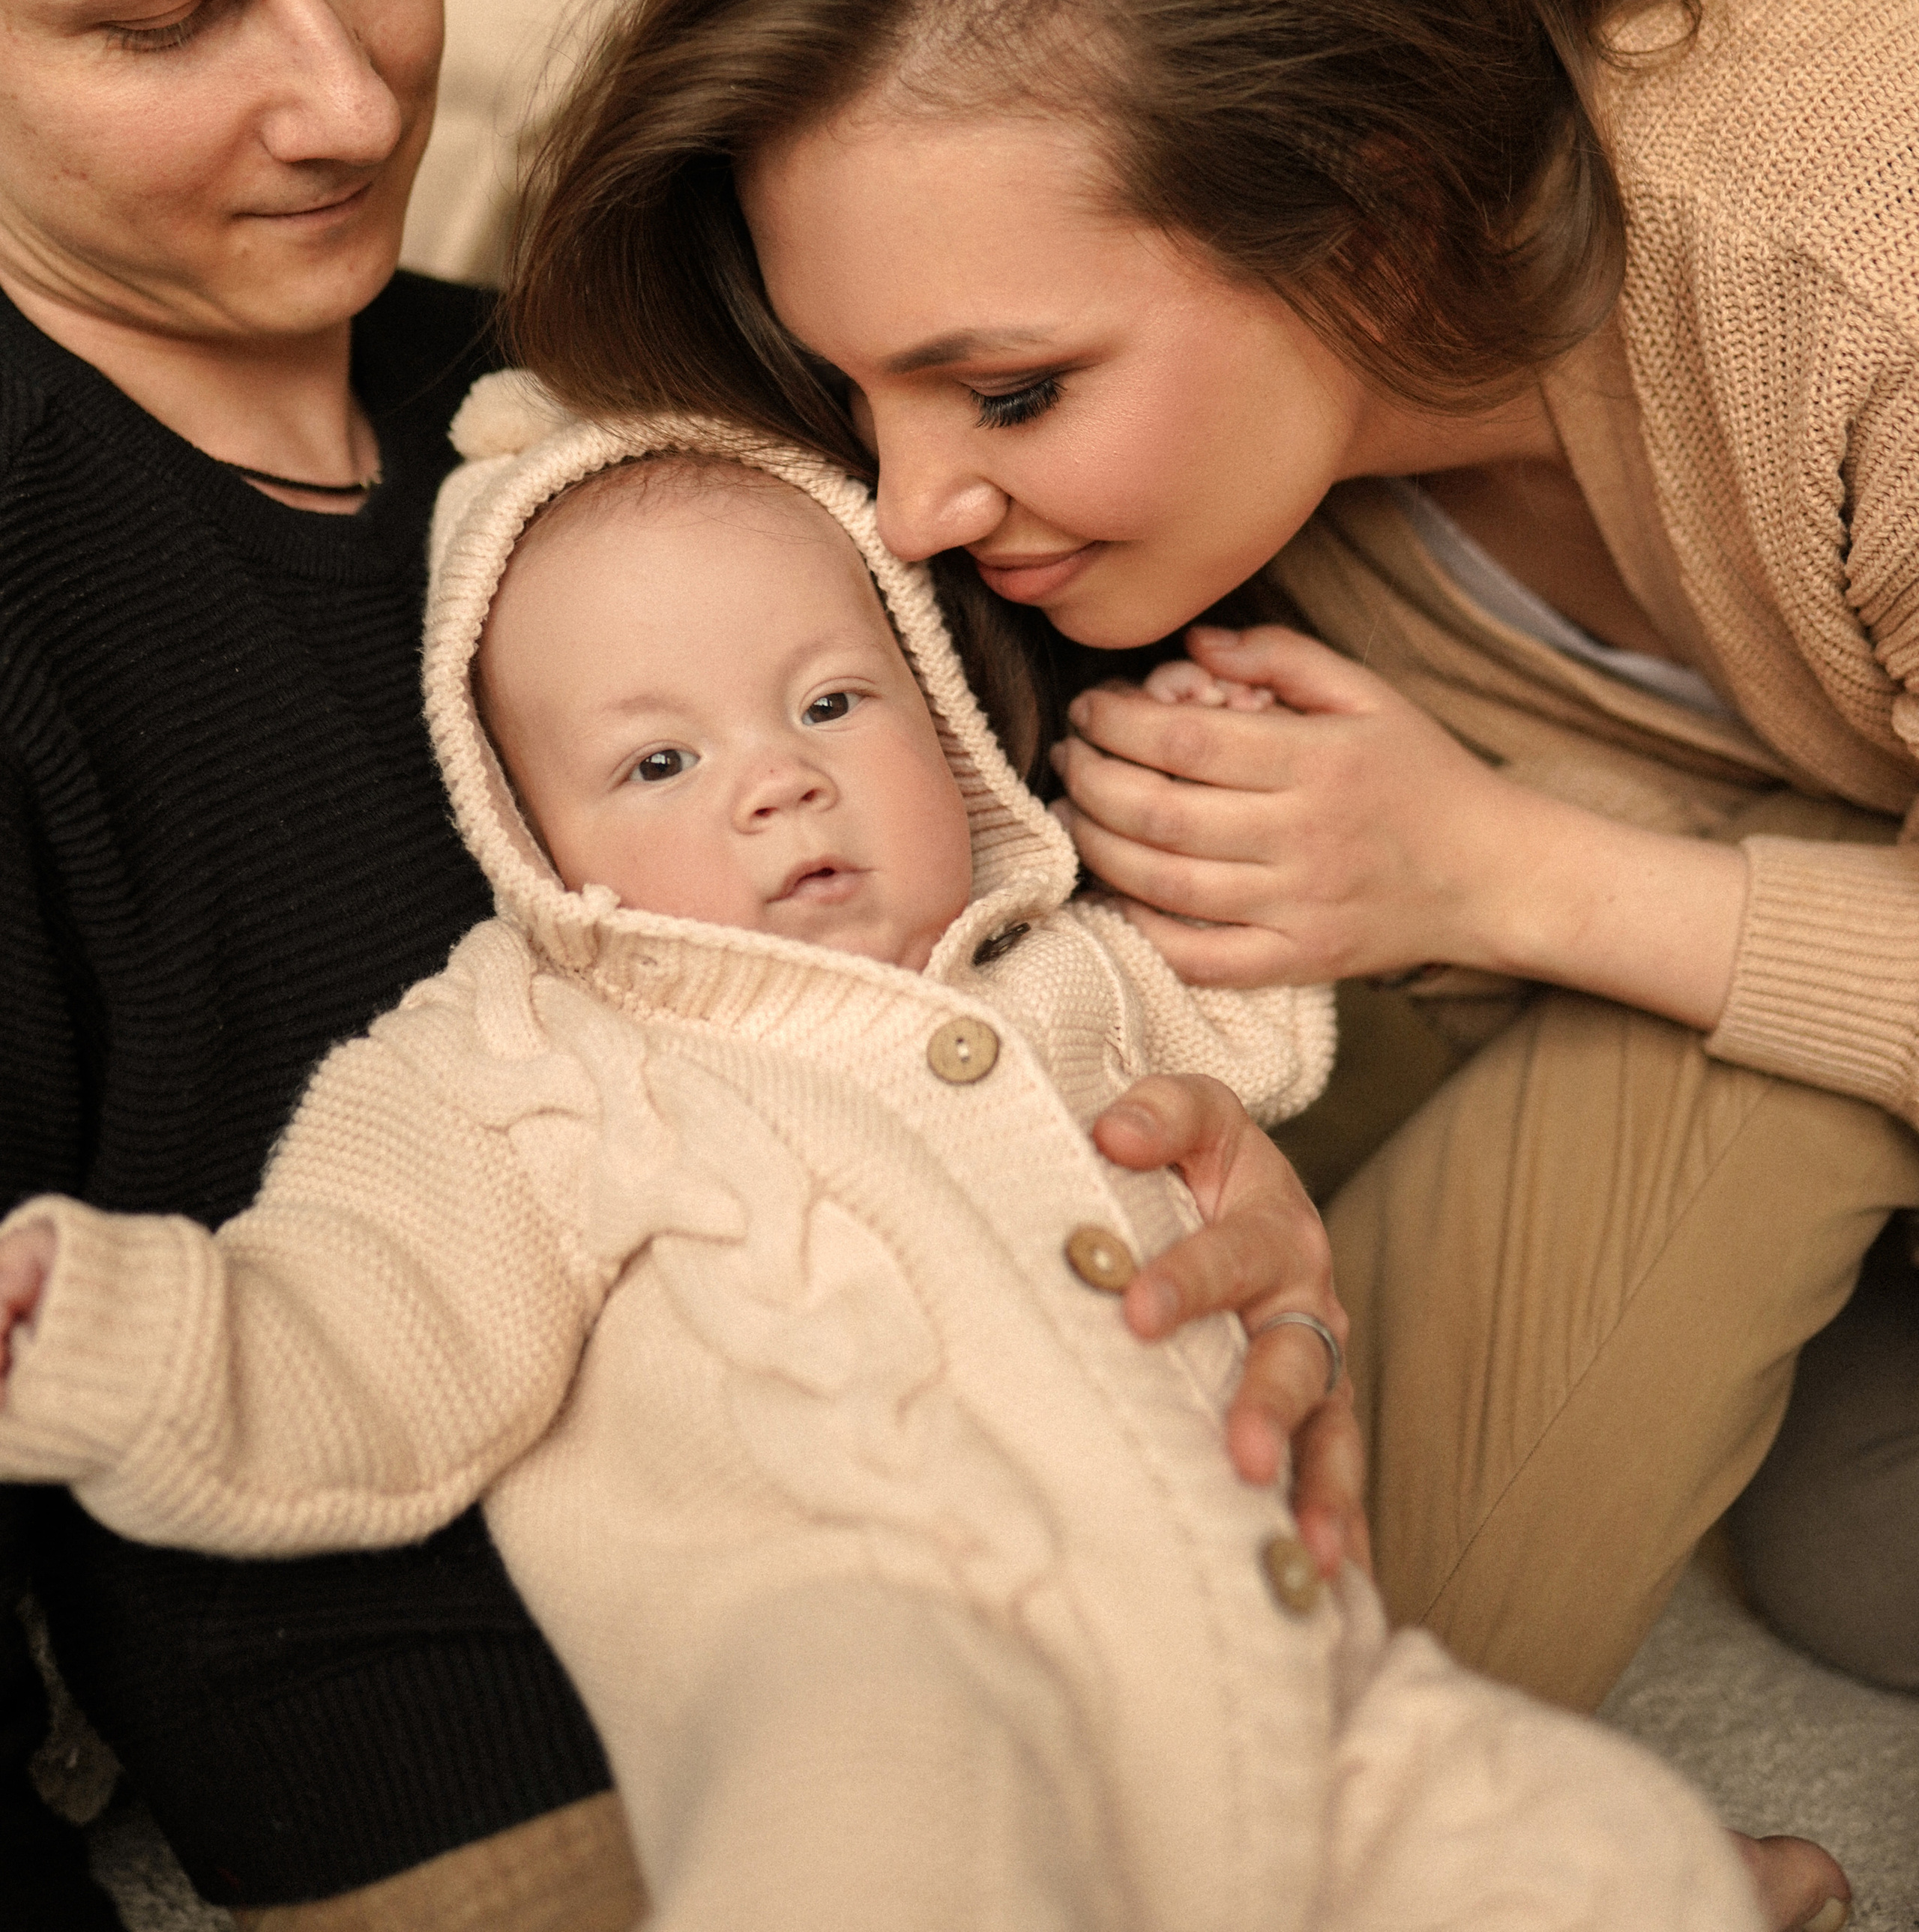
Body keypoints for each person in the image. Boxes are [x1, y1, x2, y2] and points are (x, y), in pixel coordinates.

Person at [0, 0, 1355, 1931]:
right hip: (541, 1776)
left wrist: (1238, 1189)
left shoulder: (629, 382)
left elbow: (1042, 916)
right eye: (172, 16)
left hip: (1130, 1569)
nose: (341, 94)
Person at [504, 0, 1919, 1792]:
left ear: (1368, 207)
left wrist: (1525, 878)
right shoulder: (1196, 476)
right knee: (1847, 1541)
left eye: (1008, 389)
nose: (908, 501)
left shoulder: (1854, 258)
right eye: (857, 385)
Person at [0, 382, 1779, 1932]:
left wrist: (1225, 781)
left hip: (1274, 1663)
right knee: (875, 1843)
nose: (775, 783)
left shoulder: (1062, 969)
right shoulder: (525, 1059)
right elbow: (368, 1326)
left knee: (1603, 1847)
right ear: (528, 840)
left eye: (833, 704)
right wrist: (103, 1328)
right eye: (660, 758)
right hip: (875, 1670)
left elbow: (1271, 989)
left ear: (941, 714)